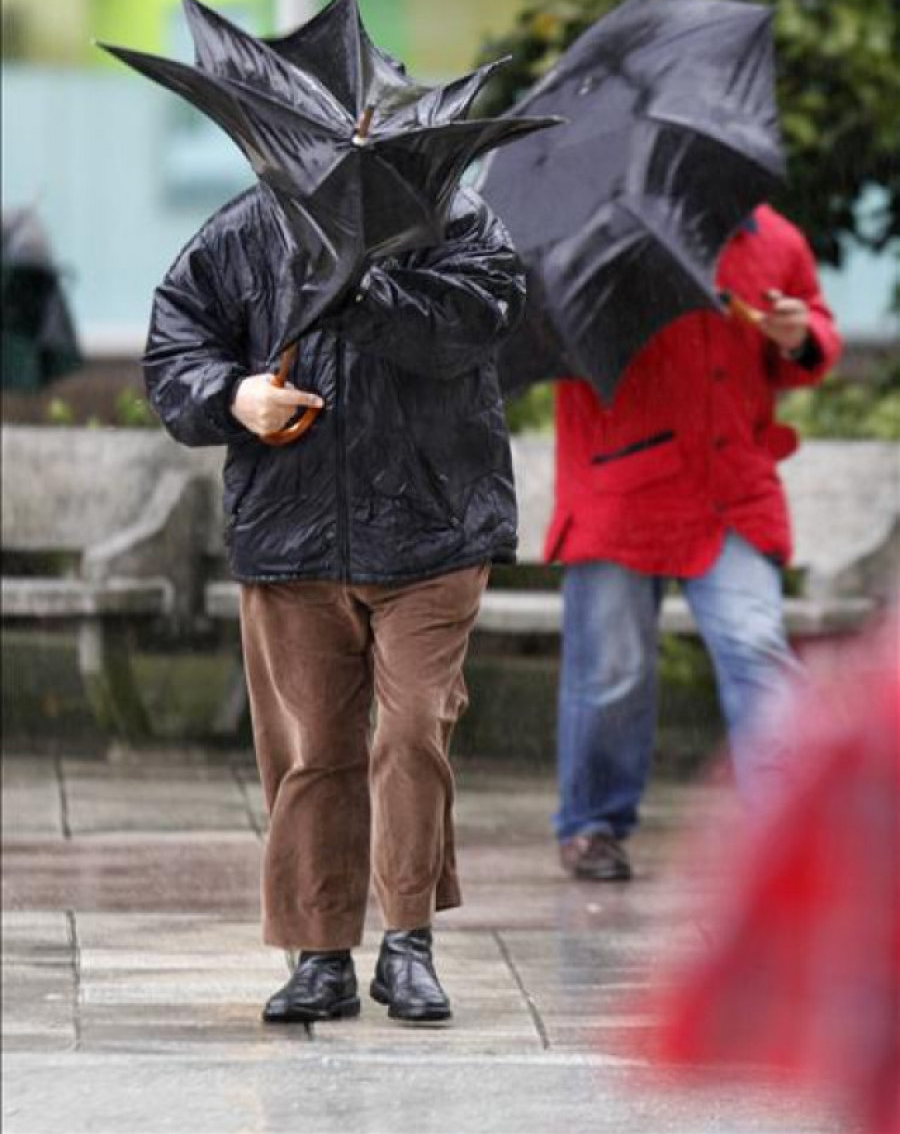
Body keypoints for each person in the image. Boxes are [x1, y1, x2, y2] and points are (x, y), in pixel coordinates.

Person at [143, 181, 524, 1023]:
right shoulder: (245, 229)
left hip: (435, 528)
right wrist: (235, 397)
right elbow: (174, 351)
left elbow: (476, 321)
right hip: (293, 533)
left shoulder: (457, 222)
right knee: (314, 749)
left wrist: (359, 285)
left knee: (413, 727)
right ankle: (320, 955)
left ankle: (408, 945)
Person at [545, 204, 842, 882]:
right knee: (612, 671)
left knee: (757, 648)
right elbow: (549, 334)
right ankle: (593, 824)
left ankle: (789, 829)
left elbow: (813, 340)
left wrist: (799, 336)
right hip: (621, 489)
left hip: (730, 492)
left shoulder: (775, 238)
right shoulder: (590, 234)